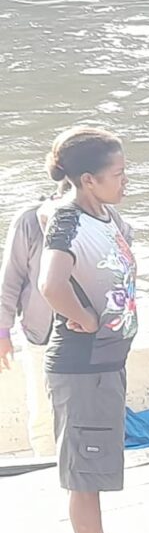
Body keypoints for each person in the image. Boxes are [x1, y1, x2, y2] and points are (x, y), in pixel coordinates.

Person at [38, 127, 149, 533]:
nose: (125, 180)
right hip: (81, 366)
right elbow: (51, 282)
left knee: (97, 465)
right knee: (83, 477)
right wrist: (81, 317)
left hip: (108, 361)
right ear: (88, 180)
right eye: (118, 174)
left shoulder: (105, 214)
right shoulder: (67, 221)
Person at [1, 193, 62, 456]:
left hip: (88, 335)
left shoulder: (102, 216)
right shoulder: (28, 220)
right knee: (43, 411)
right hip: (40, 334)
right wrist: (3, 332)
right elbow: (10, 280)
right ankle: (47, 465)